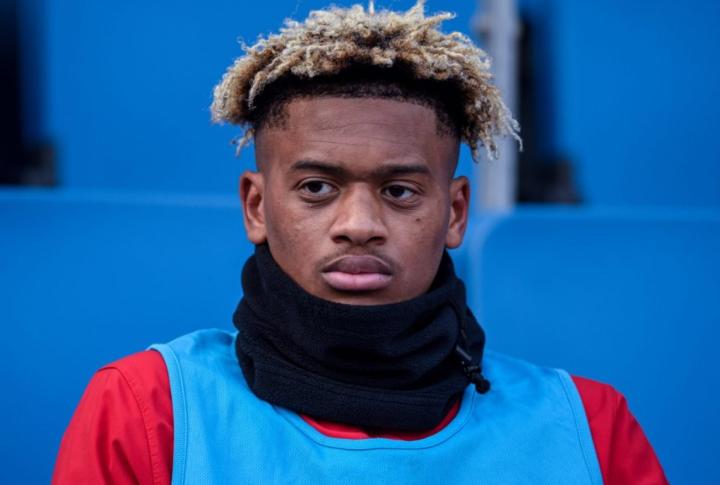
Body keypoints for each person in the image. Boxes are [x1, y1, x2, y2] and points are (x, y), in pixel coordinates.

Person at [52, 2, 668, 483]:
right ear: (257, 206)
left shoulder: (589, 428)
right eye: (317, 188)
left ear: (455, 212)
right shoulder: (147, 409)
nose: (359, 224)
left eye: (400, 191)